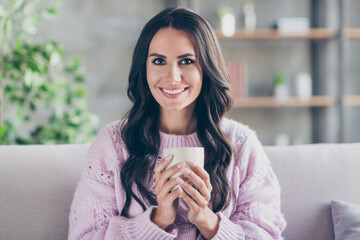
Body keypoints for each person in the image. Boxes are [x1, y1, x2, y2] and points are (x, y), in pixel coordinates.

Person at [68, 7, 286, 240]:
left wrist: (205, 219)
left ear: (207, 69)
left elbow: (266, 236)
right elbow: (85, 236)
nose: (172, 76)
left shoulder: (241, 145)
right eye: (159, 61)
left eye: (187, 61)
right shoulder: (113, 144)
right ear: (144, 69)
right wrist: (158, 220)